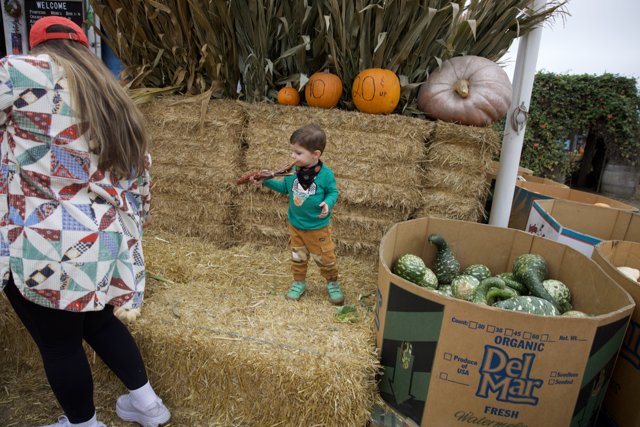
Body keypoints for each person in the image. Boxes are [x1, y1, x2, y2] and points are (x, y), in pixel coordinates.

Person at [0, 16, 170, 427]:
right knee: (96, 320)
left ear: (40, 48)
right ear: (82, 49)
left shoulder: (25, 72)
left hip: (43, 238)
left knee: (58, 343)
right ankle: (147, 406)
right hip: (102, 236)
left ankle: (83, 423)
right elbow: (141, 178)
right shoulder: (113, 97)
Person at [258, 124, 344, 305]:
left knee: (325, 258)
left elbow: (333, 192)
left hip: (317, 228)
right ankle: (299, 282)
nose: (292, 156)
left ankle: (332, 282)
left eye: (298, 153)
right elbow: (284, 189)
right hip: (296, 225)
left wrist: (327, 203)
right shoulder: (291, 173)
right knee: (298, 256)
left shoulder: (325, 175)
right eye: (292, 152)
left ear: (316, 154)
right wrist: (266, 181)